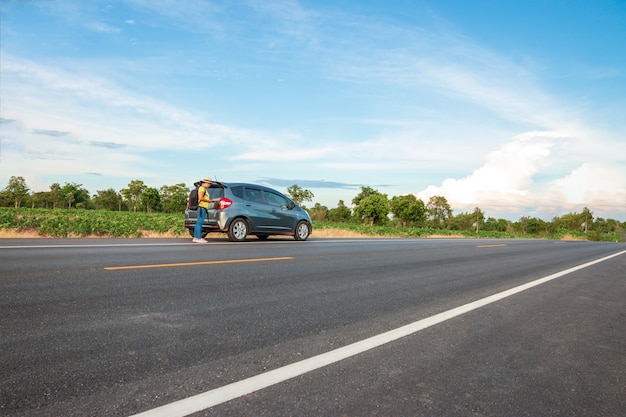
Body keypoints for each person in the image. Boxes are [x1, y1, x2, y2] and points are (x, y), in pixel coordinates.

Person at [193, 177, 212, 243]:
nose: (209, 185)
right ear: (206, 183)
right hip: (202, 207)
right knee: (200, 223)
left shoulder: (203, 189)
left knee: (198, 222)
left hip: (202, 208)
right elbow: (201, 198)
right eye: (209, 184)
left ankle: (195, 237)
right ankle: (199, 238)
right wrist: (209, 201)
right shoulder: (202, 188)